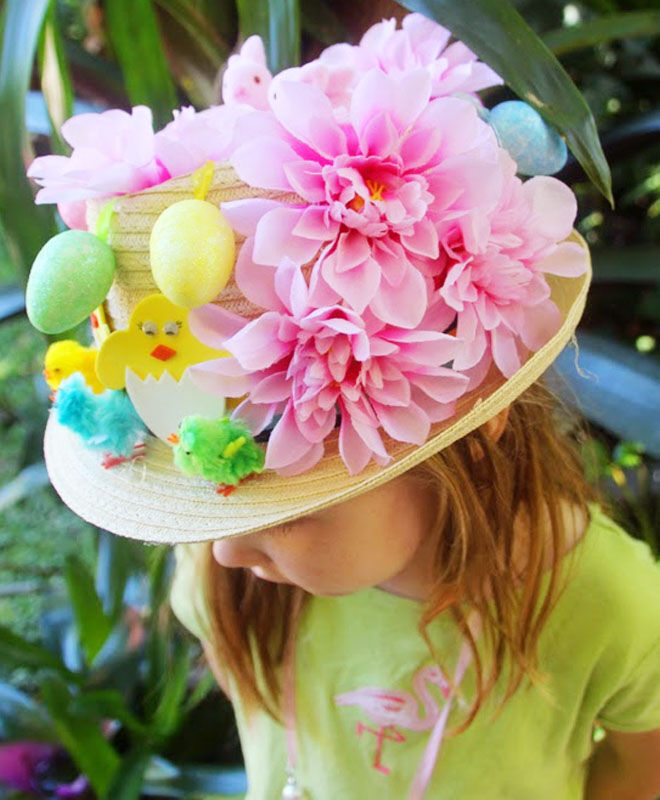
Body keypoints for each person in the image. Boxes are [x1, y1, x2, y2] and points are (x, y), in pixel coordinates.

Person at [25, 10, 660, 800]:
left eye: (289, 511)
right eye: (215, 511)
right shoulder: (242, 583)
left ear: (467, 434)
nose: (221, 553)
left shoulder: (606, 607)